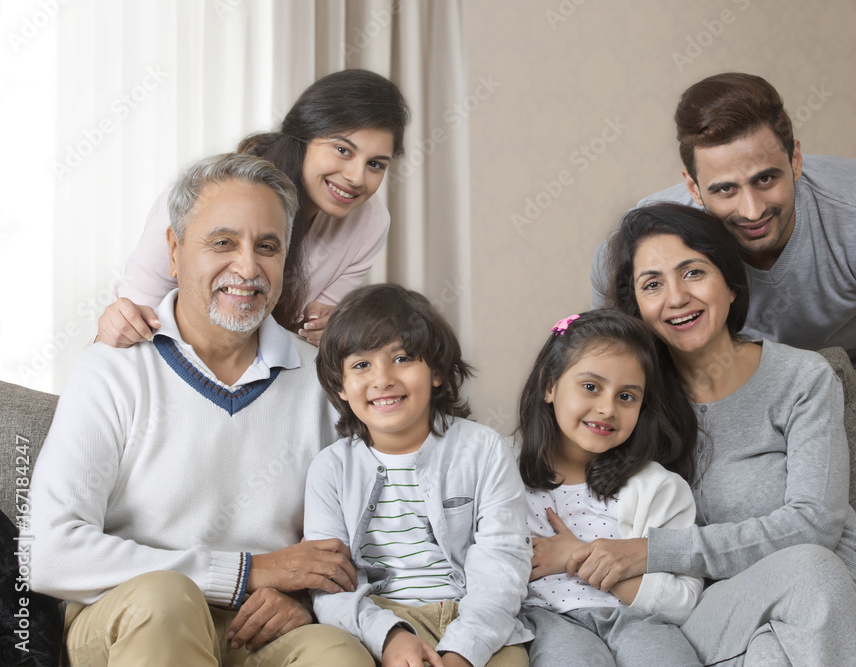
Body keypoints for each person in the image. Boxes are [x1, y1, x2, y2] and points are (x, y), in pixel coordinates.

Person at [590, 72, 856, 580]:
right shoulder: (646, 243)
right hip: (741, 396)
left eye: (766, 178)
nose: (752, 210)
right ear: (692, 187)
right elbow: (617, 373)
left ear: (796, 159)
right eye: (725, 190)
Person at [28, 153, 372, 666]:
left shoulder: (323, 381)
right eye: (223, 242)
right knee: (168, 599)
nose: (248, 267)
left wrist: (307, 599)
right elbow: (47, 552)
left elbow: (365, 536)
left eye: (268, 247)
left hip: (255, 628)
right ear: (174, 250)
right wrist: (247, 572)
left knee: (337, 653)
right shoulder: (112, 369)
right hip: (129, 615)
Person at [572, 203, 856, 666]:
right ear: (638, 309)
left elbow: (815, 524)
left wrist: (654, 551)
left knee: (797, 600)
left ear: (731, 283)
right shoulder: (631, 402)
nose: (675, 298)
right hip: (719, 616)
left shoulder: (803, 379)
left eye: (692, 272)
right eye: (652, 284)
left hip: (845, 605)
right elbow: (550, 450)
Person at [305, 284, 532, 667]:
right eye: (362, 365)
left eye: (402, 358)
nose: (383, 379)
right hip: (376, 620)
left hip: (474, 615)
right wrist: (389, 637)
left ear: (437, 372)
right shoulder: (330, 469)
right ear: (341, 386)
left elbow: (503, 563)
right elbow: (330, 585)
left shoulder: (485, 449)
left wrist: (464, 649)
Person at [99, 69, 410, 347]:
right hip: (170, 362)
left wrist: (331, 327)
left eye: (375, 164)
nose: (356, 177)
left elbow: (310, 332)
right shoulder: (204, 198)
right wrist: (121, 325)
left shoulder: (370, 222)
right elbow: (134, 315)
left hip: (271, 374)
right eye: (342, 150)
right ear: (303, 137)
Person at [514, 309, 702, 667]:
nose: (607, 408)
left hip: (640, 621)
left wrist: (577, 556)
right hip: (549, 622)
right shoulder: (503, 474)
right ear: (550, 385)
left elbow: (683, 602)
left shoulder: (659, 489)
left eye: (627, 397)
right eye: (591, 387)